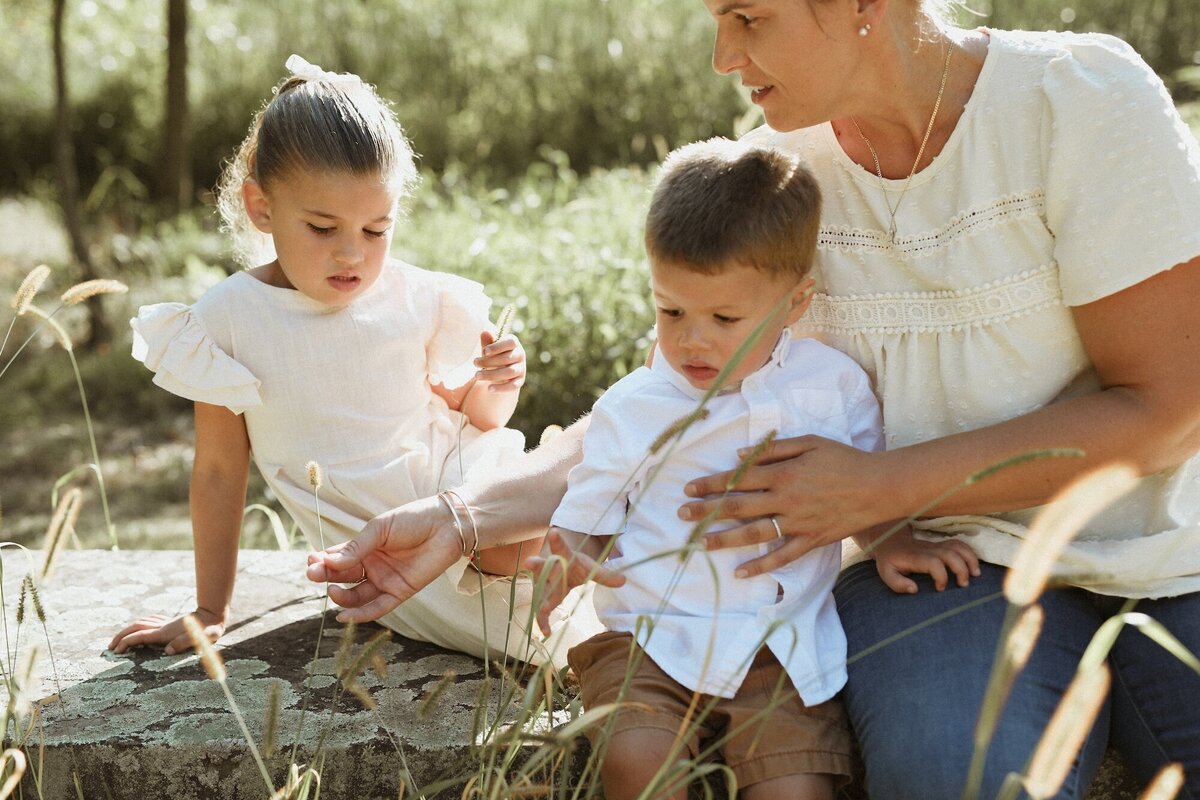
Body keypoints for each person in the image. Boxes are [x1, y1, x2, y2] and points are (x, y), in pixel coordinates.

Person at [308, 2, 1200, 797]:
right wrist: (466, 516)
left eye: (747, 18)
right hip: (939, 568)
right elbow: (672, 412)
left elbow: (1169, 408)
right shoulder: (778, 177)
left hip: (1175, 563)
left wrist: (880, 490)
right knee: (951, 775)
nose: (722, 58)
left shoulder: (1079, 101)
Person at [527, 137, 978, 800]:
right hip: (650, 638)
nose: (691, 339)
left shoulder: (833, 390)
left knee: (794, 787)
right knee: (638, 759)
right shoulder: (637, 406)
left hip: (779, 645)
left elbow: (866, 490)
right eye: (670, 310)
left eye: (724, 317)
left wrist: (892, 542)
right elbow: (593, 501)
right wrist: (570, 554)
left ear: (796, 304)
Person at [109, 55, 574, 666]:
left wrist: (498, 381)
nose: (352, 253)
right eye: (323, 228)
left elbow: (478, 420)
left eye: (376, 230)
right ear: (261, 207)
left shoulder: (418, 297)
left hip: (462, 486)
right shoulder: (229, 321)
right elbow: (220, 472)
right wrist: (210, 609)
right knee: (520, 556)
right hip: (388, 548)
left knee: (548, 529)